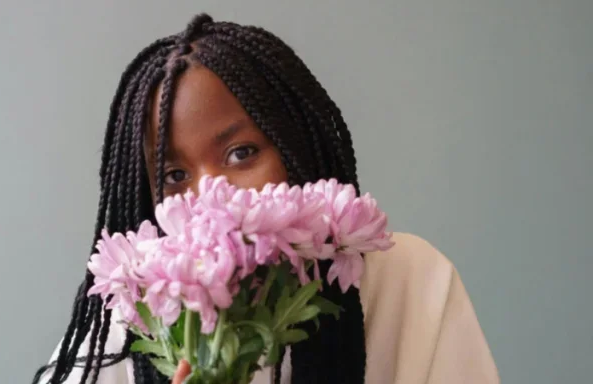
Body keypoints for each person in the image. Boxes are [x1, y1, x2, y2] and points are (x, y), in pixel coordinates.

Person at [33, 13, 499, 384]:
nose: (210, 196)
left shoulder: (412, 283)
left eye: (241, 153)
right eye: (174, 174)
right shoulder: (129, 323)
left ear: (296, 148)